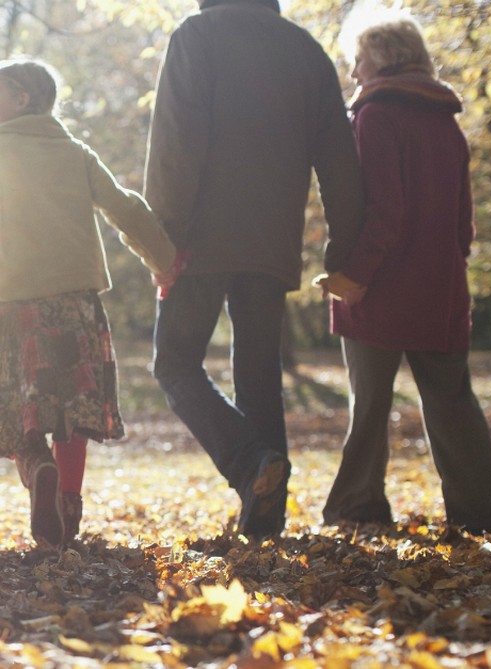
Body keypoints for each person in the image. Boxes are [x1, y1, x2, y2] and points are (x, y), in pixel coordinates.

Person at [0, 59, 177, 548]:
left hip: (18, 304)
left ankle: (36, 465)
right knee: (73, 406)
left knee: (19, 398)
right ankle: (67, 504)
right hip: (78, 303)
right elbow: (124, 206)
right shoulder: (75, 151)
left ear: (21, 99)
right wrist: (163, 259)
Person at [144, 0, 364, 539]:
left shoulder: (197, 36)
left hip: (199, 241)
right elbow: (340, 160)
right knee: (259, 376)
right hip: (272, 243)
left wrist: (162, 240)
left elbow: (175, 143)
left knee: (175, 362)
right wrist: (343, 251)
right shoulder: (305, 50)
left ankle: (250, 464)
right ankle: (265, 517)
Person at [318, 11, 491, 534]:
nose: (354, 72)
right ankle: (486, 514)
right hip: (441, 288)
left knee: (370, 406)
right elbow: (462, 225)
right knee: (453, 400)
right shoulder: (446, 124)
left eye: (357, 60)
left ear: (380, 57)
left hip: (378, 286)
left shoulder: (375, 117)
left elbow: (384, 212)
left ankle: (356, 507)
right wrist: (447, 273)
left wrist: (354, 277)